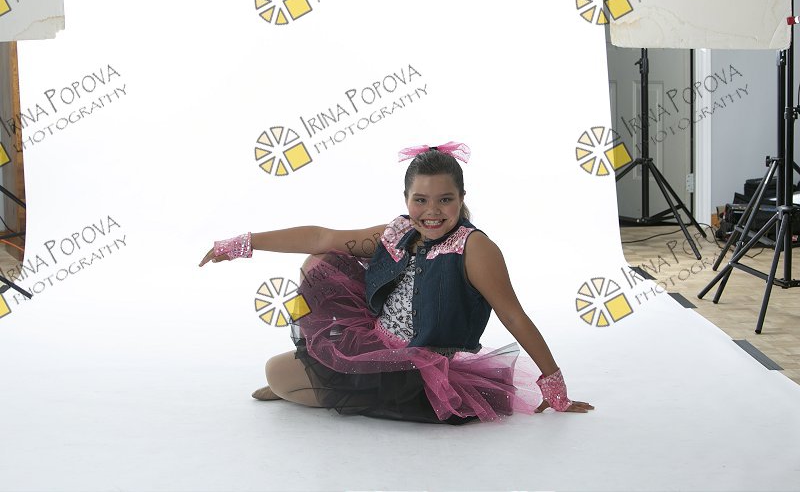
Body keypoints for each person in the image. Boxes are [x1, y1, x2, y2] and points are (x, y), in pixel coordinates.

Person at [199, 141, 594, 424]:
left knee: (275, 372)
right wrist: (242, 243)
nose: (432, 211)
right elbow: (322, 236)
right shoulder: (399, 232)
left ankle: (310, 385)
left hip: (418, 366)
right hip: (375, 339)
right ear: (406, 198)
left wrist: (553, 384)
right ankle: (309, 374)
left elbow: (514, 315)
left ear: (461, 197)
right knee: (319, 261)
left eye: (445, 199)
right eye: (421, 200)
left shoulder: (474, 248)